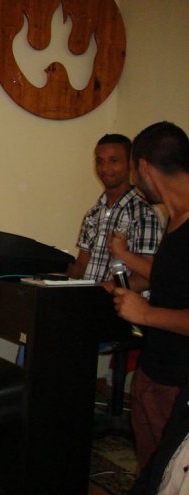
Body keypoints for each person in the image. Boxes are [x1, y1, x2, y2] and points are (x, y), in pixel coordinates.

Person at [110, 121, 189, 476]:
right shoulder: (175, 217)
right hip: (155, 371)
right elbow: (173, 273)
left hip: (178, 385)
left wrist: (145, 314)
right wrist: (127, 261)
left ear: (143, 166)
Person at [67, 133, 162, 283]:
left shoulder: (144, 214)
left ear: (130, 164)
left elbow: (149, 277)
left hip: (121, 298)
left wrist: (109, 289)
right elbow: (80, 267)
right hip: (88, 297)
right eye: (100, 161)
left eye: (113, 161)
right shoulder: (93, 214)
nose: (105, 168)